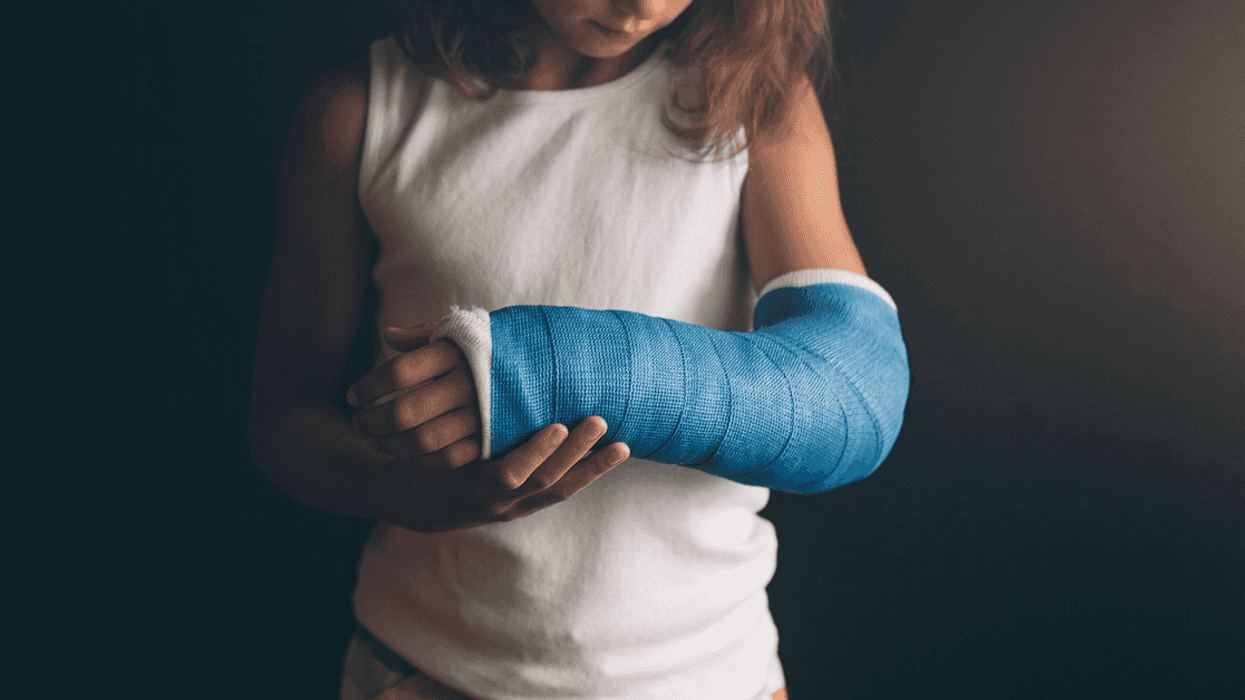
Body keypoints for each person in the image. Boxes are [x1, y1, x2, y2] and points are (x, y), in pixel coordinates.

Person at [248, 1, 909, 698]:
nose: (643, 5)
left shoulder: (750, 98)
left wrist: (561, 365)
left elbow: (850, 393)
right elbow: (284, 418)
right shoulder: (357, 112)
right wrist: (403, 492)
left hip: (709, 676)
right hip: (430, 670)